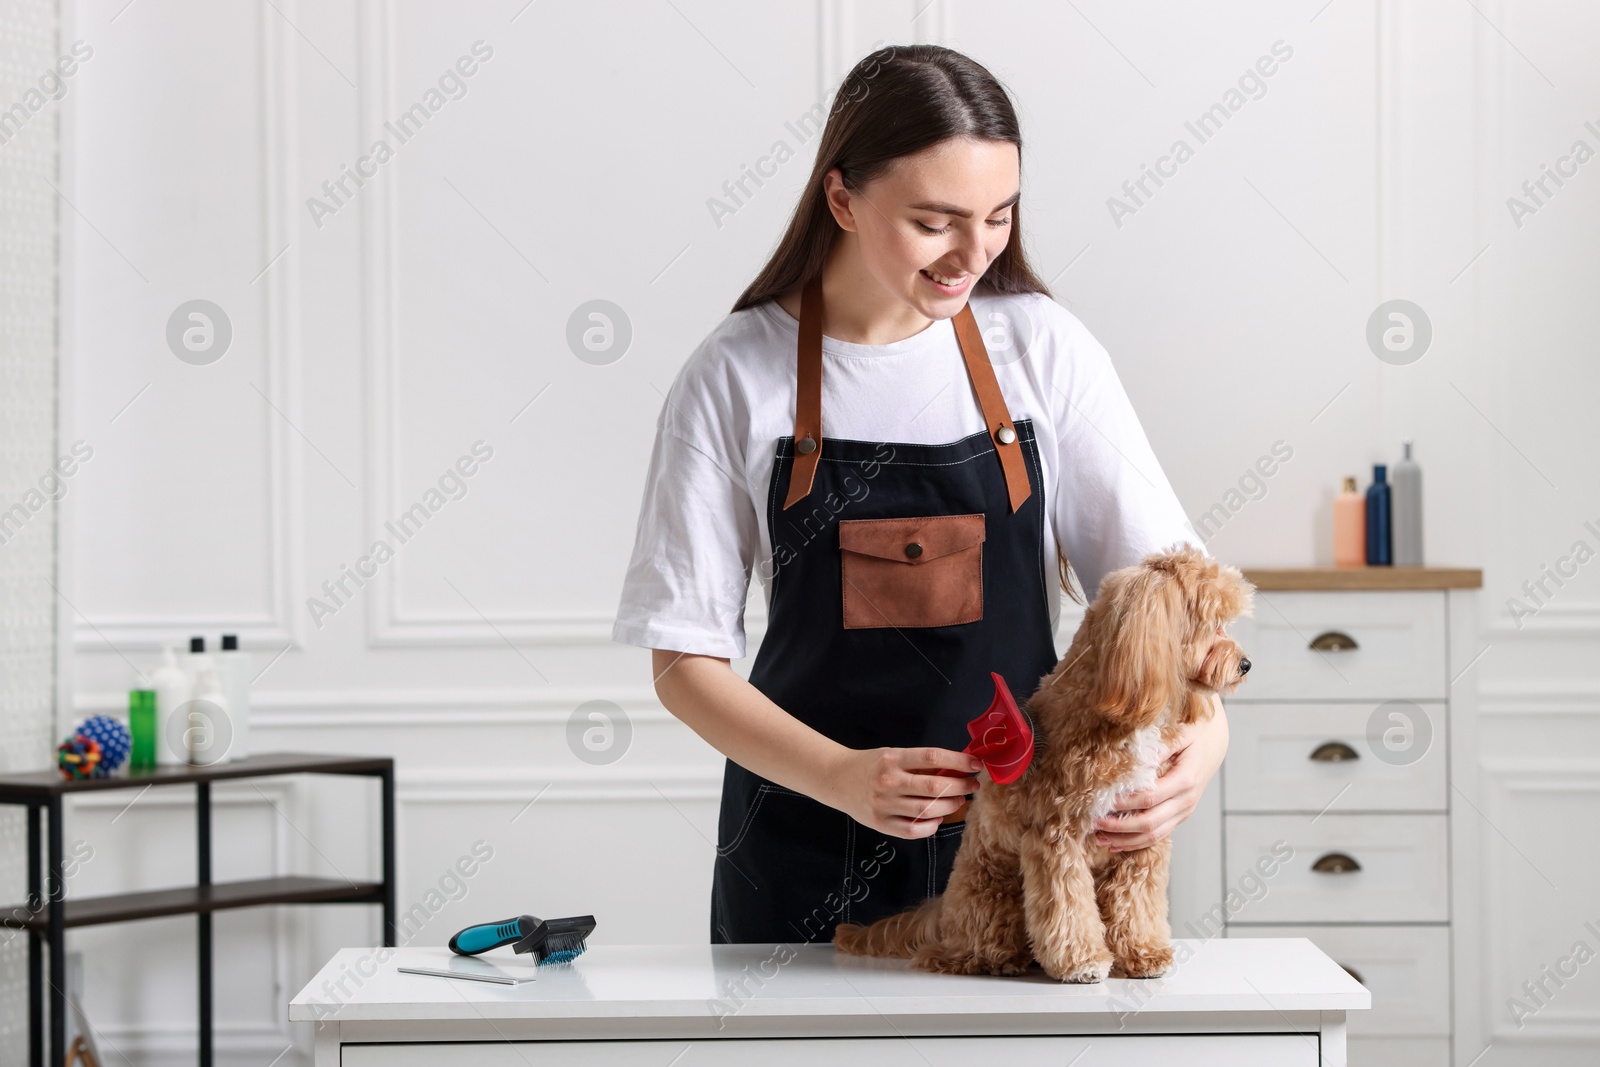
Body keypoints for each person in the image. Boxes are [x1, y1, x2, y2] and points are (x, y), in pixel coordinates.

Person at [611, 43, 1227, 946]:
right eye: (936, 221)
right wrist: (842, 778)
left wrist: (1204, 742)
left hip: (1026, 861)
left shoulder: (1043, 350)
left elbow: (1173, 602)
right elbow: (684, 665)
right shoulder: (734, 375)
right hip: (801, 858)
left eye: (999, 216)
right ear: (841, 199)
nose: (973, 253)